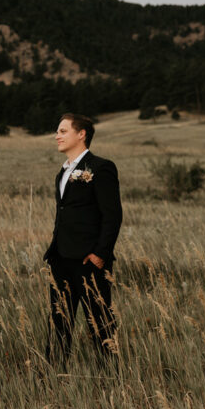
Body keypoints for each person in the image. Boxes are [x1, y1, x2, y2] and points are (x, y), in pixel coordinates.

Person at [42, 113, 122, 368]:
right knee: (59, 321)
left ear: (81, 134)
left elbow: (112, 215)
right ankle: (55, 373)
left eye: (63, 131)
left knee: (99, 322)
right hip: (61, 258)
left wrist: (100, 253)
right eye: (58, 131)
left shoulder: (101, 167)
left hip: (90, 261)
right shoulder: (62, 172)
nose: (57, 135)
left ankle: (110, 376)